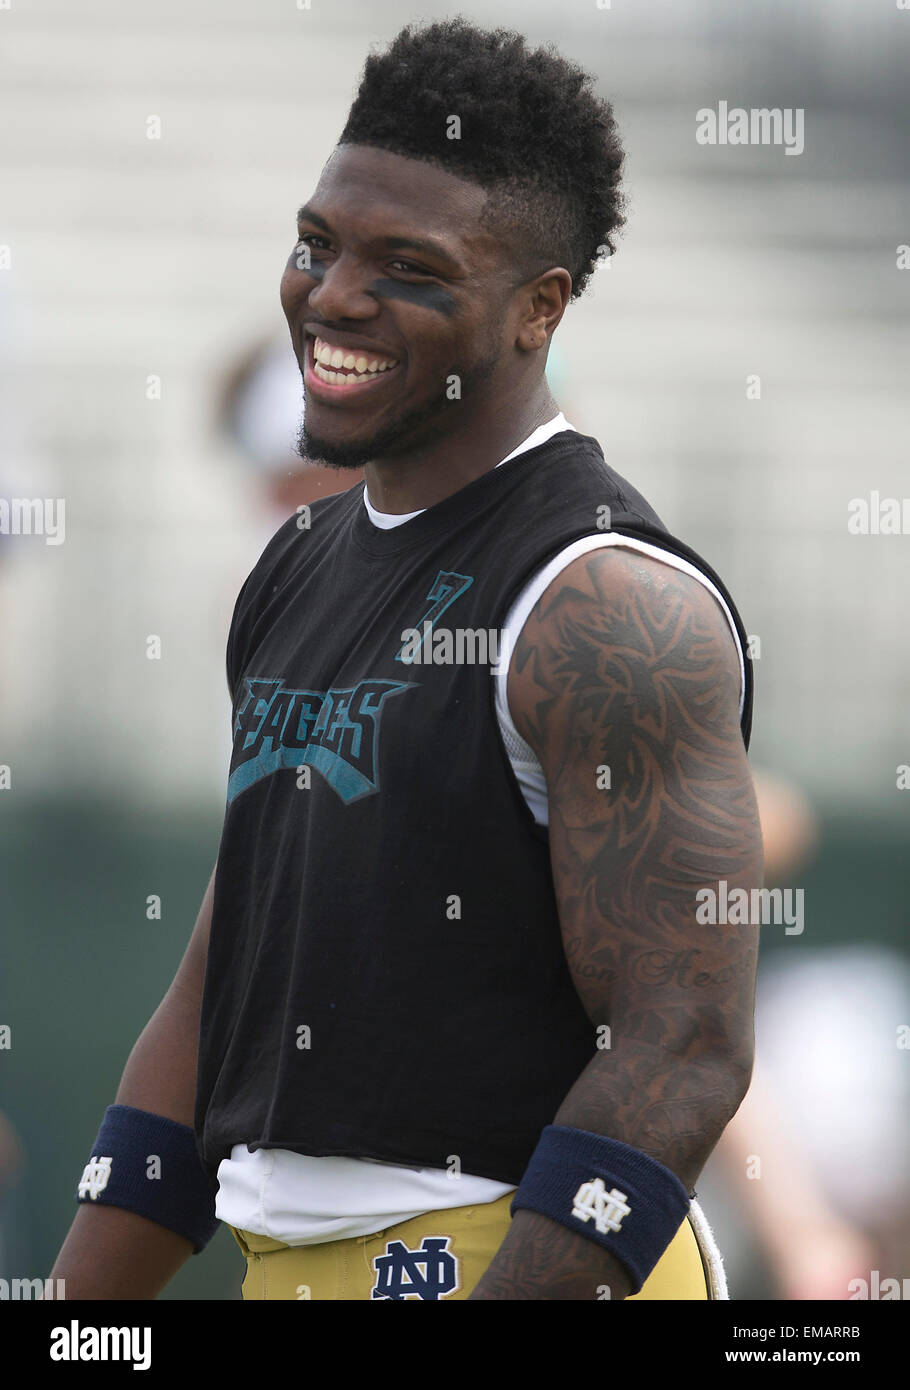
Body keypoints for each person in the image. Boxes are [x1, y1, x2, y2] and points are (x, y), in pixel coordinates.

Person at [51, 18, 762, 1302]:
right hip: (288, 1266)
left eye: (407, 265)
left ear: (539, 307)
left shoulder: (603, 601)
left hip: (506, 1259)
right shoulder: (301, 558)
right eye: (317, 244)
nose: (330, 296)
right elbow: (226, 973)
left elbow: (686, 1043)